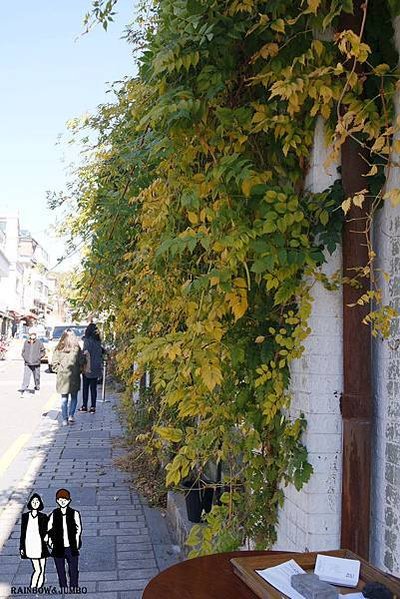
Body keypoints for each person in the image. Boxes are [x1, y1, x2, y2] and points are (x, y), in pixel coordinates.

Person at [46, 488, 82, 590]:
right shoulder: (54, 514)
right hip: (58, 547)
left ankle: (74, 587)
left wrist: (77, 542)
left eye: (65, 500)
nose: (62, 502)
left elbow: (78, 529)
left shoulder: (75, 513)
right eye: (60, 499)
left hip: (71, 547)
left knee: (73, 569)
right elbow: (47, 530)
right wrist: (50, 543)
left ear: (69, 501)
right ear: (57, 501)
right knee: (60, 570)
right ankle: (63, 587)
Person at [52, 329, 85, 426]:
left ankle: (64, 419)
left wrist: (59, 370)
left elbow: (54, 363)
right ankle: (71, 415)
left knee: (64, 398)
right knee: (74, 397)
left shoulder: (59, 348)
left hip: (62, 377)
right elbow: (81, 361)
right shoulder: (76, 348)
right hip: (74, 375)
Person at [19, 493, 49, 589]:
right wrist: (22, 547)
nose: (35, 503)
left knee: (42, 569)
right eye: (33, 501)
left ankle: (39, 586)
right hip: (31, 545)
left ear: (40, 503)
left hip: (41, 544)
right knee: (37, 569)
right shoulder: (25, 516)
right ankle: (33, 586)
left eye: (37, 501)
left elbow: (48, 530)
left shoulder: (43, 517)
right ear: (30, 503)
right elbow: (23, 533)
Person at [79, 323, 103, 414]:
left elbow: (85, 353)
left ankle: (84, 406)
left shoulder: (87, 341)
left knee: (85, 387)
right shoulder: (98, 341)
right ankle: (93, 406)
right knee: (94, 388)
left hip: (88, 367)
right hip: (96, 367)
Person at [20, 328, 45, 397]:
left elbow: (43, 352)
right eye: (31, 334)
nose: (33, 335)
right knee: (26, 377)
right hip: (27, 363)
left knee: (37, 377)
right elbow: (23, 352)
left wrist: (38, 357)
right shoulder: (26, 342)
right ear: (29, 335)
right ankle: (24, 390)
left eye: (34, 334)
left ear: (36, 335)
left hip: (36, 363)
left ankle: (37, 388)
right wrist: (25, 358)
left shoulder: (39, 342)